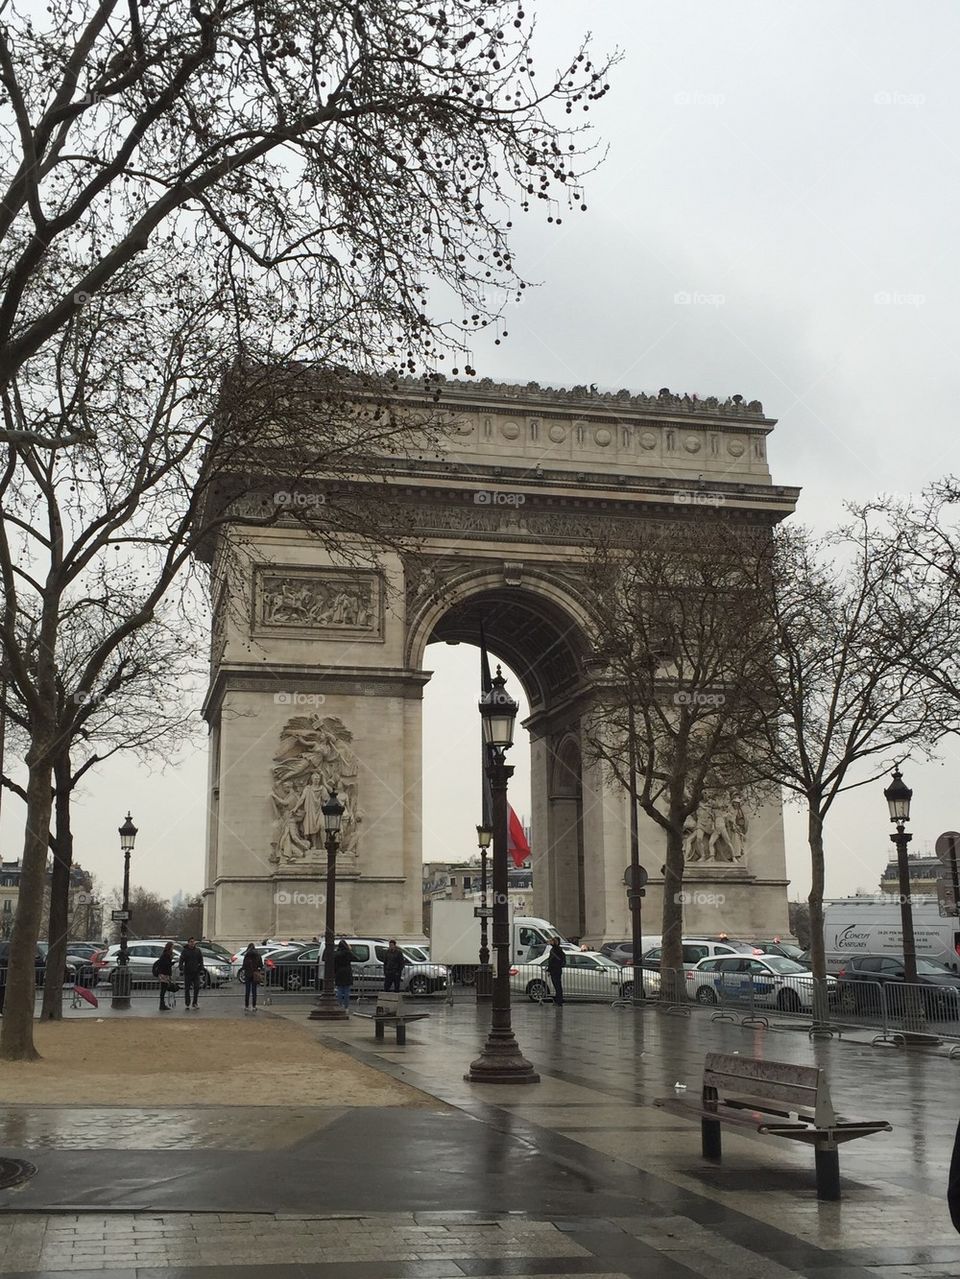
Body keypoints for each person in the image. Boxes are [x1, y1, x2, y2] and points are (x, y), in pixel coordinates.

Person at [178, 937, 205, 1011]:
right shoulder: (185, 951)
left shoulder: (197, 950)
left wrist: (201, 968)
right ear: (188, 942)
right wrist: (181, 967)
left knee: (197, 987)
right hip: (188, 972)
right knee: (187, 989)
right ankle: (187, 1003)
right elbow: (181, 960)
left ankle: (195, 1002)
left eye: (193, 942)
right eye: (191, 942)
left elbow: (201, 960)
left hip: (196, 972)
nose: (192, 943)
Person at [333, 939, 356, 1010]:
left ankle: (340, 1004)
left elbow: (334, 963)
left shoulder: (337, 953)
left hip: (339, 972)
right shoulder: (348, 953)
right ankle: (346, 1006)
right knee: (346, 991)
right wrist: (350, 950)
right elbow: (356, 958)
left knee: (339, 990)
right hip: (347, 972)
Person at [241, 943, 264, 1012]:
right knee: (254, 991)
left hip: (248, 974)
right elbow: (261, 965)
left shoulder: (247, 955)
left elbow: (244, 965)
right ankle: (254, 1006)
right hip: (255, 974)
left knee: (247, 991)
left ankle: (246, 1006)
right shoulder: (258, 955)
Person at [156, 941, 175, 1011]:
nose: (173, 948)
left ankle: (162, 1004)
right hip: (164, 973)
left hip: (164, 973)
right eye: (172, 947)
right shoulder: (166, 955)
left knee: (163, 989)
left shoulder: (166, 954)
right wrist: (172, 963)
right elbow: (166, 964)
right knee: (163, 989)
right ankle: (162, 1004)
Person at [547, 937, 566, 1006]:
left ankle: (559, 1001)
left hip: (555, 970)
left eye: (552, 941)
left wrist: (549, 969)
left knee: (557, 986)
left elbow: (551, 961)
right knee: (557, 986)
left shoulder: (555, 949)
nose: (550, 942)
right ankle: (559, 999)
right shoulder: (556, 949)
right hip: (556, 969)